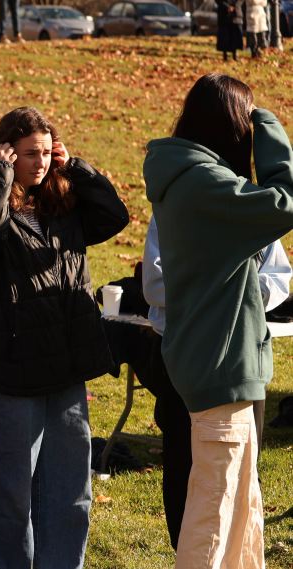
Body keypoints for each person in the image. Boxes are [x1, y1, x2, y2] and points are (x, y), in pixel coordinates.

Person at [0, 107, 129, 568]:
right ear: (6, 152)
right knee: (12, 497)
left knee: (71, 491)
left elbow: (115, 216)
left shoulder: (63, 204)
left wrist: (78, 169)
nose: (41, 162)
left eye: (48, 152)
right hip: (11, 370)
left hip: (66, 370)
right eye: (30, 154)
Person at [143, 73, 293, 569]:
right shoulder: (205, 183)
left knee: (243, 506)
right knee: (215, 507)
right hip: (219, 366)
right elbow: (285, 201)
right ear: (232, 127)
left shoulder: (186, 177)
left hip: (222, 361)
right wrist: (269, 126)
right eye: (246, 124)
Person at [142, 215, 291, 550]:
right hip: (184, 350)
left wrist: (237, 299)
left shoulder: (253, 207)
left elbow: (279, 278)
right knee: (184, 463)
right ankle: (188, 553)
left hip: (243, 353)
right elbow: (154, 285)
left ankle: (238, 552)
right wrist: (225, 297)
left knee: (243, 465)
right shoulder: (173, 206)